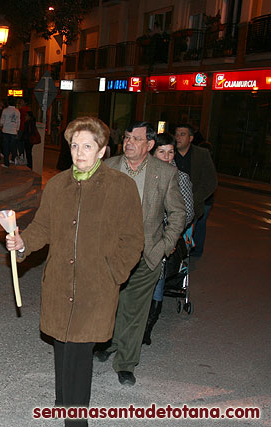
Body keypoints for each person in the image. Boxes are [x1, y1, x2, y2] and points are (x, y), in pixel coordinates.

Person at [6, 117, 144, 426]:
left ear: (102, 150)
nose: (79, 152)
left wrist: (114, 273)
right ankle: (61, 402)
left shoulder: (121, 187)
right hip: (59, 281)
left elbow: (134, 239)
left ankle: (76, 419)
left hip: (96, 286)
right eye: (74, 145)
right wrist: (22, 243)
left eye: (87, 146)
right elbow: (42, 228)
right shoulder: (58, 185)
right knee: (61, 343)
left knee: (79, 353)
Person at [95, 122, 186, 386]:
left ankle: (126, 363)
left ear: (149, 145)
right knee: (111, 304)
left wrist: (164, 247)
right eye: (126, 137)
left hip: (147, 253)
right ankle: (110, 342)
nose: (129, 142)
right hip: (109, 253)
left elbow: (178, 213)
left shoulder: (164, 173)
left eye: (136, 139)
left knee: (136, 310)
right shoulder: (108, 167)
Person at [143, 132, 194, 345]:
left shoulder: (179, 177)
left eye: (171, 152)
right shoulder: (144, 174)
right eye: (161, 152)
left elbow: (188, 212)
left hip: (164, 236)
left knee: (157, 279)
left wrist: (168, 232)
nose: (167, 157)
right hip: (142, 234)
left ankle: (147, 327)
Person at [174, 124, 217, 258]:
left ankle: (194, 252)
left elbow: (210, 181)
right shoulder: (170, 153)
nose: (178, 137)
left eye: (182, 134)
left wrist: (194, 198)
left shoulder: (201, 154)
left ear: (191, 138)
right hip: (175, 201)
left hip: (198, 201)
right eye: (176, 134)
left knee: (197, 226)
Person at [0, 96, 19, 168]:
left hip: (6, 130)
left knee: (6, 148)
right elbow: (18, 122)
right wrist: (17, 129)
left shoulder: (5, 110)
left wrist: (1, 125)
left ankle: (6, 163)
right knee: (13, 146)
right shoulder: (17, 111)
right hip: (13, 131)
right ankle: (14, 157)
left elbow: (1, 121)